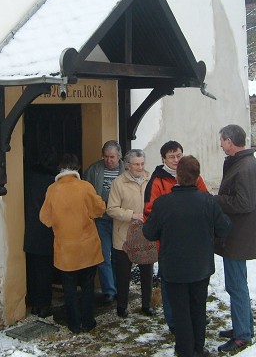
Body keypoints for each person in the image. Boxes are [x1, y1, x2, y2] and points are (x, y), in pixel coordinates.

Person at [143, 156, 231, 357]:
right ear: (197, 176)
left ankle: (185, 350)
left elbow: (149, 232)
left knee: (181, 310)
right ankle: (197, 348)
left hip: (174, 267)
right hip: (201, 266)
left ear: (178, 177)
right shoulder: (207, 201)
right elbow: (224, 227)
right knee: (198, 308)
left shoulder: (164, 203)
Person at [144, 140, 209, 334]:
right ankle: (174, 321)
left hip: (193, 239)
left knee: (195, 281)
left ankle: (195, 316)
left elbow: (204, 199)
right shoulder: (157, 181)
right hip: (169, 243)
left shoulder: (193, 176)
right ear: (163, 159)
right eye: (171, 157)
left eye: (179, 155)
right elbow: (150, 211)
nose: (176, 160)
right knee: (170, 283)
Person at [39, 153, 106, 334]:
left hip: (65, 249)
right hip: (87, 247)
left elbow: (44, 218)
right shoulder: (85, 187)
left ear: (60, 169)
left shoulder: (52, 189)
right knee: (87, 286)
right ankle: (88, 321)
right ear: (76, 168)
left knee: (69, 288)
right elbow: (98, 209)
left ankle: (74, 324)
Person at [213, 125, 256, 353]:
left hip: (239, 235)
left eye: (222, 141)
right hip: (235, 233)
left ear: (230, 141)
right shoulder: (240, 163)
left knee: (236, 286)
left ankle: (242, 335)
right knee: (236, 284)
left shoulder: (246, 167)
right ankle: (243, 327)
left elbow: (244, 203)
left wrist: (217, 200)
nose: (220, 144)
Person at [106, 149, 153, 318]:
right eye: (136, 164)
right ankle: (122, 306)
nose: (140, 167)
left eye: (142, 164)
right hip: (124, 235)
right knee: (123, 273)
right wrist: (132, 215)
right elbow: (111, 209)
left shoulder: (150, 179)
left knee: (147, 271)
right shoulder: (119, 183)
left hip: (146, 234)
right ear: (128, 165)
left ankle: (146, 304)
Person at [84, 140, 124, 303]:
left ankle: (119, 287)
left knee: (118, 255)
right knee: (103, 255)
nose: (109, 160)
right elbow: (86, 191)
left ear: (119, 156)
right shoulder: (94, 170)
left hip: (120, 219)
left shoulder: (126, 170)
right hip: (102, 219)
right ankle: (109, 290)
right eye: (106, 157)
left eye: (112, 157)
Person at [23, 155, 57, 318]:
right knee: (45, 270)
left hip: (30, 228)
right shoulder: (53, 183)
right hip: (47, 230)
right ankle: (44, 304)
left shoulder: (28, 179)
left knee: (33, 267)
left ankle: (34, 302)